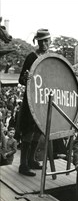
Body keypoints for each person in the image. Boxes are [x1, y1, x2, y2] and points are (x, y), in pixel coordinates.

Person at [17, 28, 52, 176]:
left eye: (46, 40)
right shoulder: (31, 57)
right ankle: (23, 164)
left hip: (44, 100)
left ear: (50, 41)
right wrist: (26, 79)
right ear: (37, 42)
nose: (44, 43)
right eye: (41, 41)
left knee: (39, 131)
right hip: (31, 99)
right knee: (28, 131)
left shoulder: (50, 58)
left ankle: (31, 159)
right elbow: (21, 79)